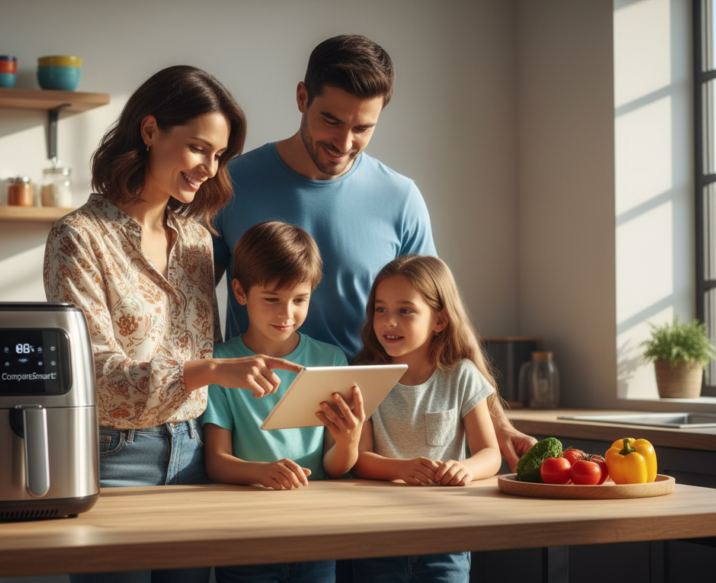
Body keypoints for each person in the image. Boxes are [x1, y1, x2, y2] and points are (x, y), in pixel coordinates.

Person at [211, 34, 535, 470]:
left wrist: (498, 423)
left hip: (371, 435)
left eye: (363, 128)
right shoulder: (231, 184)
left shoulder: (400, 198)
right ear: (302, 97)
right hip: (257, 426)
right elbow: (191, 306)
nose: (344, 142)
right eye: (331, 120)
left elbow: (442, 320)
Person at [43, 65, 302, 583]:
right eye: (198, 148)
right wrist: (207, 371)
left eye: (219, 155)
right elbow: (95, 373)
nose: (210, 167)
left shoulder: (198, 241)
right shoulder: (79, 238)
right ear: (150, 130)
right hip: (114, 459)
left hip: (194, 454)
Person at [203, 221, 365, 583]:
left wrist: (349, 443)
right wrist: (262, 473)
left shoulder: (331, 360)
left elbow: (335, 468)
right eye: (272, 299)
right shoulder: (221, 364)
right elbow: (216, 462)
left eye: (299, 300)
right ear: (240, 292)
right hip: (246, 536)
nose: (286, 314)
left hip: (315, 535)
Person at [350, 255, 501, 583]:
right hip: (377, 539)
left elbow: (490, 453)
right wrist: (401, 469)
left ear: (440, 320)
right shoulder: (363, 378)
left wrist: (467, 468)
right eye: (380, 309)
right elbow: (358, 459)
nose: (389, 321)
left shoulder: (462, 376)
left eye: (405, 310)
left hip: (446, 538)